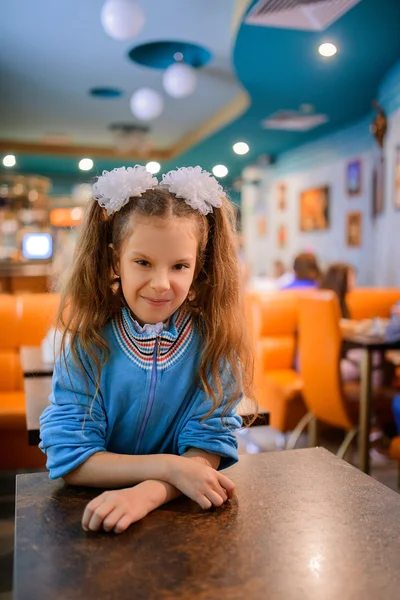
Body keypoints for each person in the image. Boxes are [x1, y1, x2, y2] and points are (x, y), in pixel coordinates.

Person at [39, 165, 254, 534]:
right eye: (142, 262)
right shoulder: (87, 344)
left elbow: (206, 451)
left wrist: (149, 493)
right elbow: (71, 459)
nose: (160, 284)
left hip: (183, 523)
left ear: (198, 267)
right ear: (115, 259)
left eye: (179, 266)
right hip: (92, 518)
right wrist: (172, 468)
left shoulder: (214, 346)